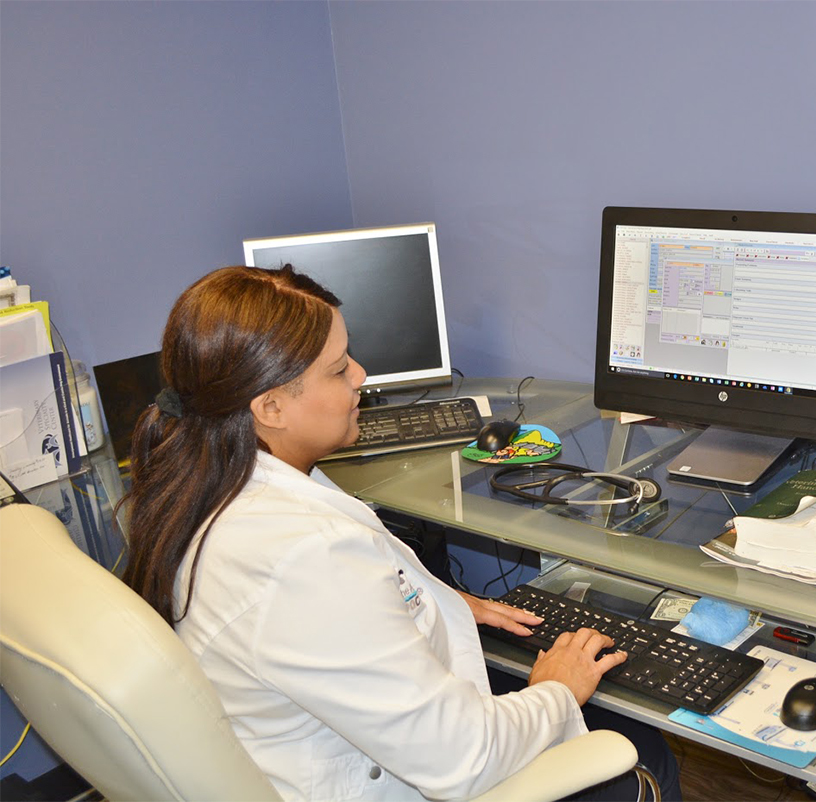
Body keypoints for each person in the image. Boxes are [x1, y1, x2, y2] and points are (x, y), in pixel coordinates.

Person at [121, 265, 680, 801]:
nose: (361, 375)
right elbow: (462, 760)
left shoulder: (203, 480)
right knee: (642, 750)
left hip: (308, 749)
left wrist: (429, 595)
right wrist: (557, 688)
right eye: (339, 369)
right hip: (398, 777)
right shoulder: (304, 556)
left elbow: (324, 612)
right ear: (270, 407)